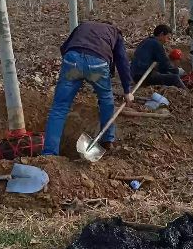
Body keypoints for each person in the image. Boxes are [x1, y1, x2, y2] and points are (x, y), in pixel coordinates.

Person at [42, 21, 133, 155]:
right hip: (96, 67)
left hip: (72, 62)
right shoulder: (114, 32)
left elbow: (64, 47)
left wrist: (76, 70)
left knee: (59, 107)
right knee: (106, 101)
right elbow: (122, 61)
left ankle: (49, 153)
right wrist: (127, 90)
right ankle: (107, 140)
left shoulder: (83, 26)